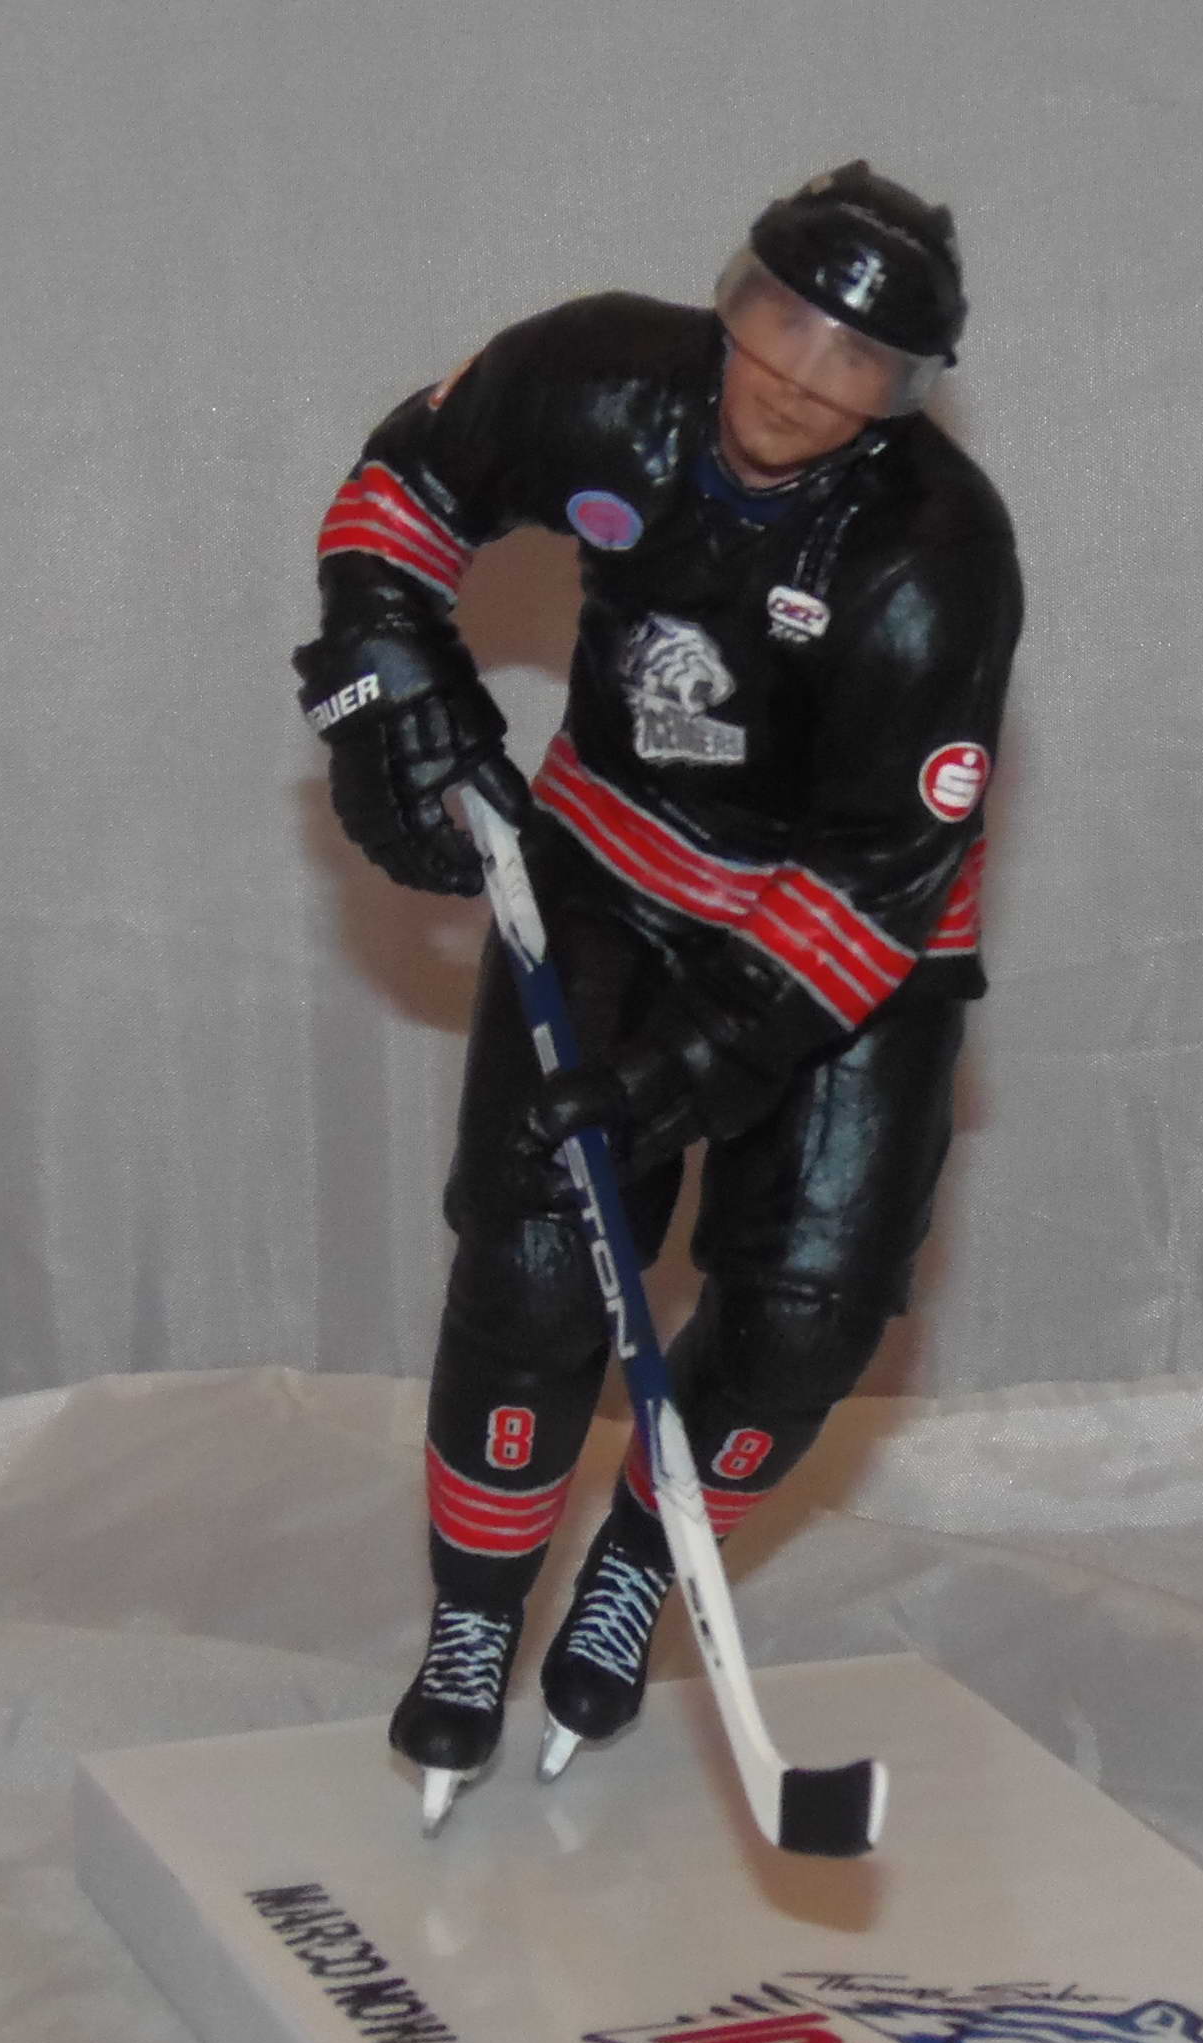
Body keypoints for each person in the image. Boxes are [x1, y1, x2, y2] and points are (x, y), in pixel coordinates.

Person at [295, 163, 1023, 1817]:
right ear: (734, 293)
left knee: (805, 1317)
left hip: (848, 939)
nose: (798, 382)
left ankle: (636, 1563)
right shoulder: (602, 377)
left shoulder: (935, 556)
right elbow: (404, 490)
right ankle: (474, 1621)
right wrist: (385, 678)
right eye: (782, 323)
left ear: (905, 393)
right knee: (537, 1263)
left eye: (853, 361)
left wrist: (697, 1066)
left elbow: (884, 873)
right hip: (617, 863)